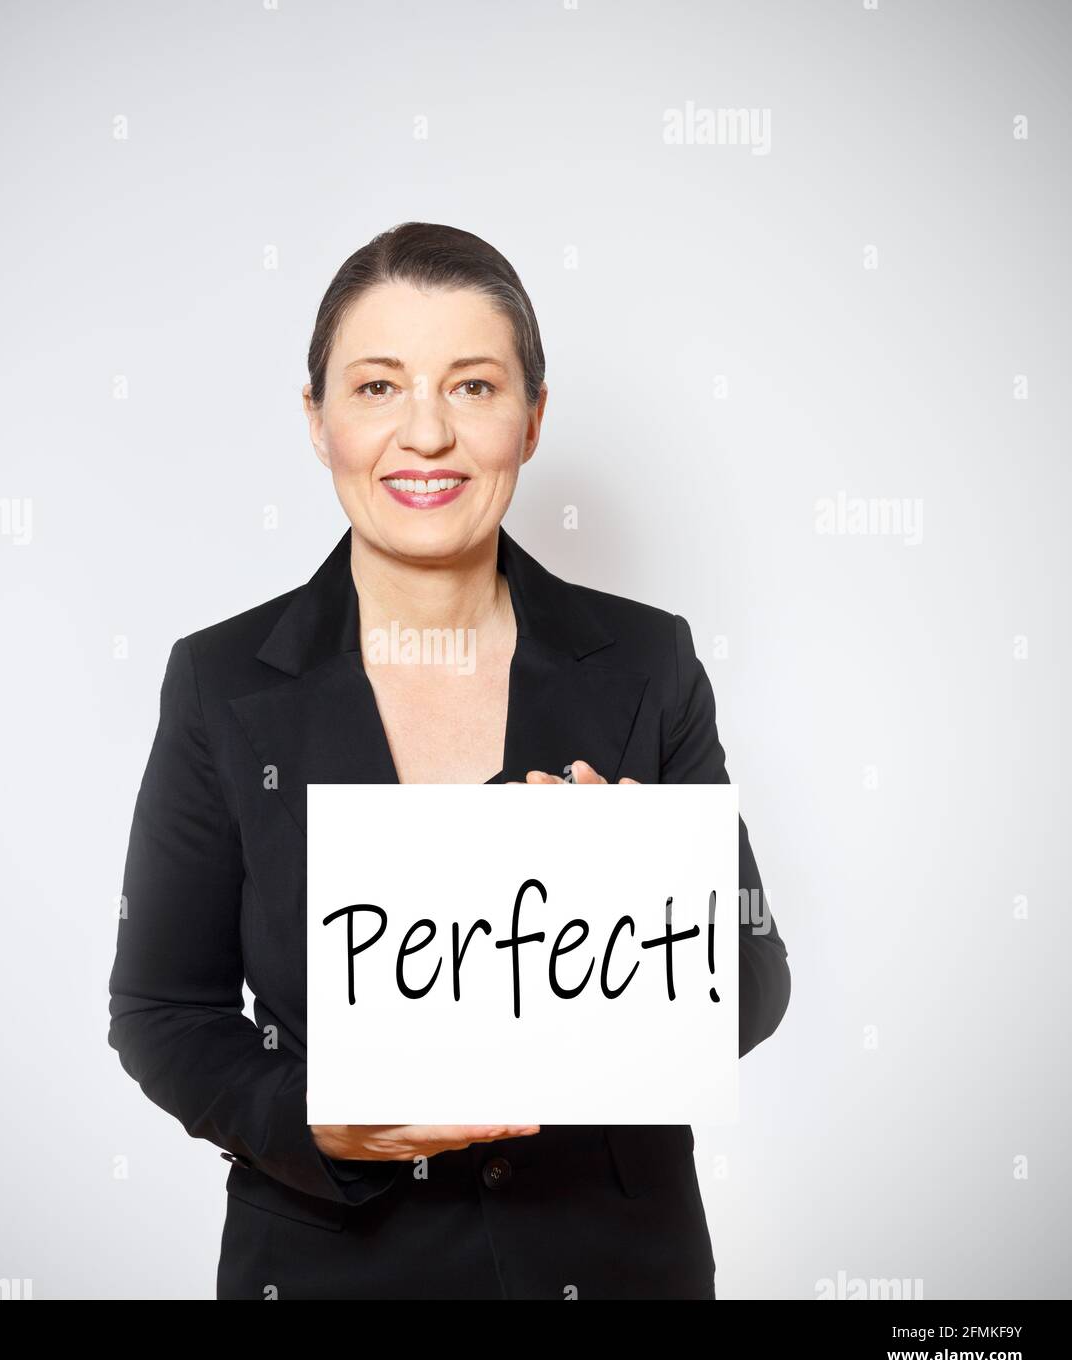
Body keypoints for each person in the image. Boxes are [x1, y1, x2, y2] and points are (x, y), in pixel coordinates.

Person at [107, 221, 791, 1299]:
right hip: (332, 1269)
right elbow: (162, 1012)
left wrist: (643, 894)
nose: (424, 434)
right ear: (317, 418)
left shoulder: (646, 662)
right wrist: (312, 1116)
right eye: (377, 387)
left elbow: (752, 983)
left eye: (472, 387)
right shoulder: (219, 683)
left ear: (531, 417)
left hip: (613, 1267)